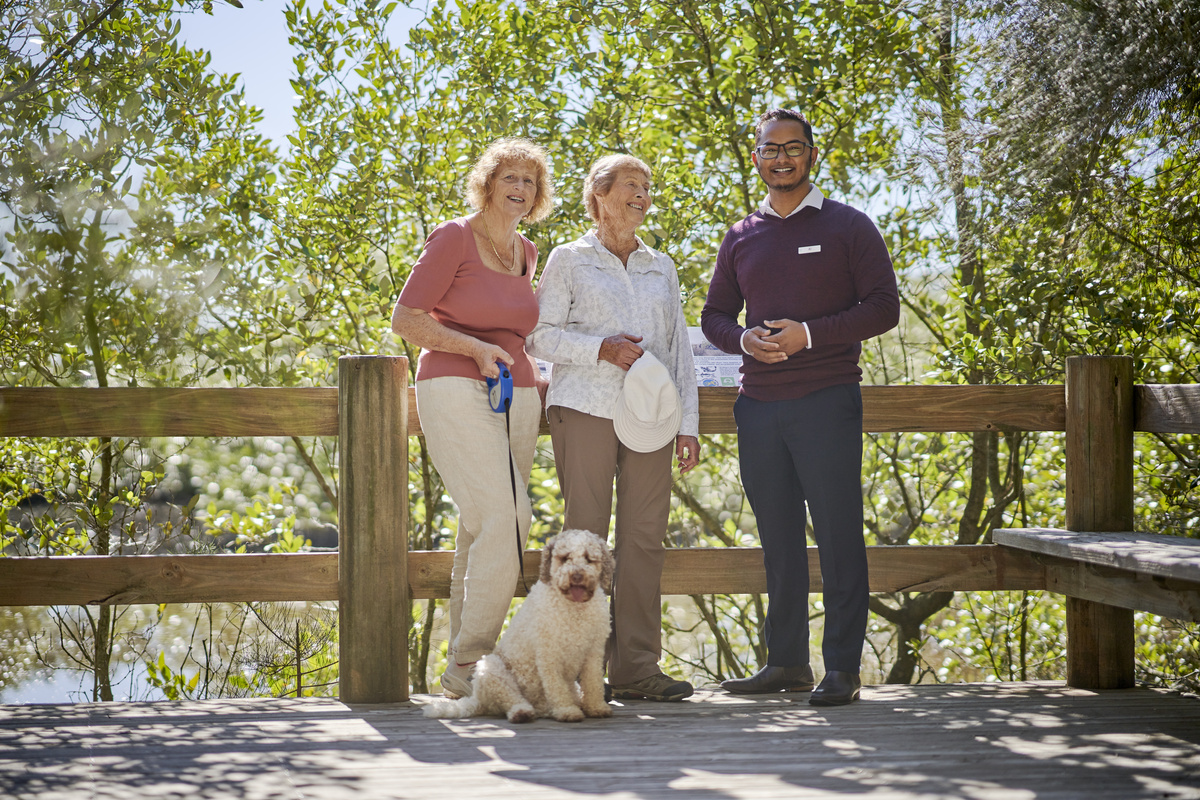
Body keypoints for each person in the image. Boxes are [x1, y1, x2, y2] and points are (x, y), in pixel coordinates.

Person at [700, 108, 900, 706]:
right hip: (758, 407)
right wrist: (744, 340)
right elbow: (714, 316)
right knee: (778, 541)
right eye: (770, 148)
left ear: (812, 154)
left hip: (826, 401)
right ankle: (786, 662)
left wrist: (807, 335)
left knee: (839, 537)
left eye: (792, 147)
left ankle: (842, 669)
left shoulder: (849, 226)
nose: (781, 158)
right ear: (755, 158)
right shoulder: (741, 235)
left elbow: (883, 307)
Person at [526, 154, 701, 702]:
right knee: (583, 539)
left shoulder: (661, 266)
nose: (642, 195)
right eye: (631, 185)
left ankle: (637, 669)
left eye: (647, 187)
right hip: (585, 407)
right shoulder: (569, 259)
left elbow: (678, 351)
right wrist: (601, 349)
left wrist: (688, 424)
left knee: (645, 537)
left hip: (653, 415)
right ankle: (577, 671)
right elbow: (538, 336)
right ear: (599, 194)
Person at [391, 138, 554, 699]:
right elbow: (406, 319)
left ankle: (459, 675)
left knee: (482, 527)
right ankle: (474, 659)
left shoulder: (527, 251)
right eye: (509, 177)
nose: (520, 188)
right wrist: (475, 349)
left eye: (530, 181)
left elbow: (521, 331)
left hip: (519, 396)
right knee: (509, 516)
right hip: (455, 385)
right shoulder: (454, 236)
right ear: (487, 183)